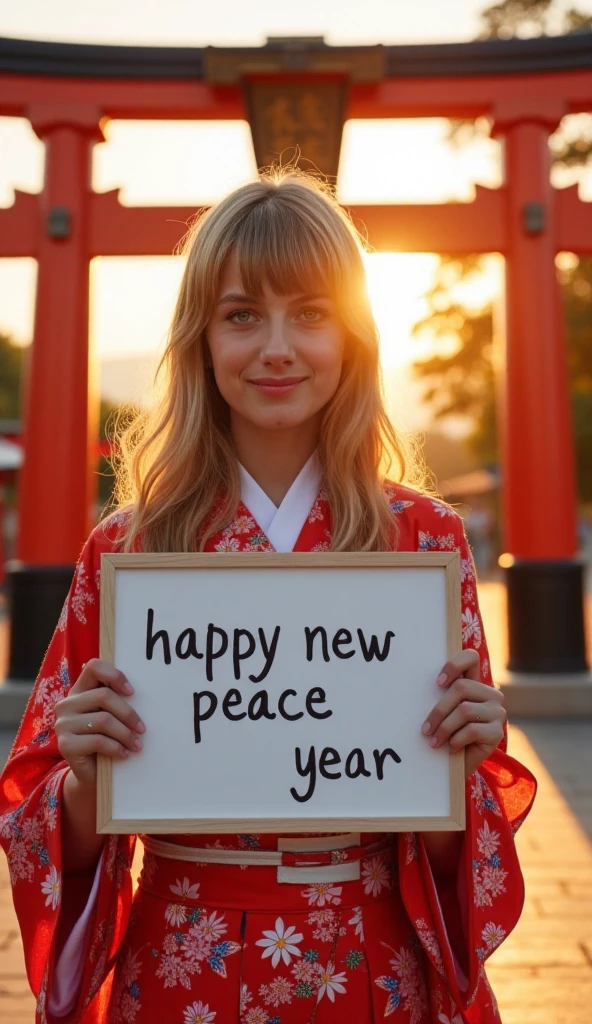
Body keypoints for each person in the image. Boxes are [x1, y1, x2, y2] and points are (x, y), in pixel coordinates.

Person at [0, 169, 536, 1024]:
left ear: (354, 337)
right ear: (201, 340)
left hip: (369, 959)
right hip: (178, 958)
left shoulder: (422, 540)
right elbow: (40, 816)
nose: (277, 346)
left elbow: (452, 849)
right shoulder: (131, 550)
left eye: (311, 314)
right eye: (242, 314)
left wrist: (460, 766)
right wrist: (79, 781)